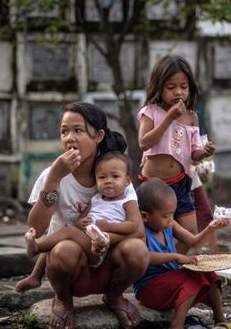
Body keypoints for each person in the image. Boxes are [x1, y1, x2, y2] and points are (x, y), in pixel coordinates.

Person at [22, 102, 149, 329]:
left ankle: (114, 296)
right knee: (64, 249)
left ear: (98, 135)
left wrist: (106, 239)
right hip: (72, 268)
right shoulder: (53, 174)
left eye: (78, 130)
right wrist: (54, 180)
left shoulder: (115, 172)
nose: (69, 138)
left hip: (110, 265)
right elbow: (36, 228)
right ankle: (62, 299)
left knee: (138, 249)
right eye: (64, 131)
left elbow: (137, 230)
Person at [137, 55, 215, 252]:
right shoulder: (151, 111)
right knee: (156, 229)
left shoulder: (191, 117)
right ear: (159, 87)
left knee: (190, 231)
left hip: (181, 182)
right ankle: (158, 267)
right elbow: (144, 143)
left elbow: (194, 154)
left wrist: (203, 153)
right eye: (171, 87)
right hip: (154, 184)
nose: (178, 92)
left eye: (183, 86)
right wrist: (169, 118)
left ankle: (173, 265)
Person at [133, 178, 231, 329]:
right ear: (145, 216)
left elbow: (194, 242)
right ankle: (177, 324)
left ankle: (219, 318)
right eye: (165, 215)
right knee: (192, 278)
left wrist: (210, 228)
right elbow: (145, 257)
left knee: (208, 271)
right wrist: (176, 257)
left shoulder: (169, 225)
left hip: (171, 283)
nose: (170, 219)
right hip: (149, 290)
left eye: (172, 214)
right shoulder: (140, 232)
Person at [24, 152, 138, 269]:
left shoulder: (127, 201)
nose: (108, 181)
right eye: (102, 177)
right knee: (63, 233)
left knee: (69, 231)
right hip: (85, 240)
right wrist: (80, 223)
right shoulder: (96, 198)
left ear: (127, 181)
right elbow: (82, 217)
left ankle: (37, 248)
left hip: (102, 247)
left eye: (115, 176)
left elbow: (134, 225)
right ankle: (36, 275)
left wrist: (109, 227)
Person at [191, 161, 218, 253]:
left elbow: (194, 151)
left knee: (207, 215)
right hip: (175, 182)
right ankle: (174, 259)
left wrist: (199, 166)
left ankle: (215, 256)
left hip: (193, 182)